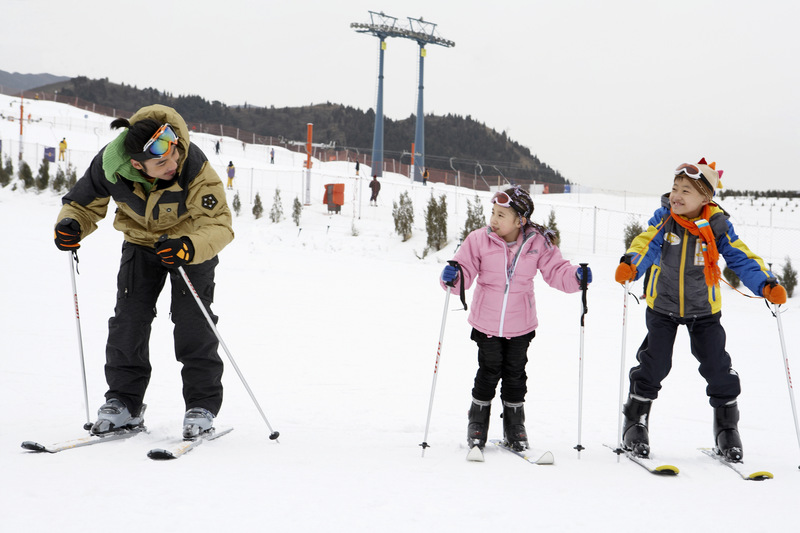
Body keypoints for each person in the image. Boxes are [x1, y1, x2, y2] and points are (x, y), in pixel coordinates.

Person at [53, 104, 234, 439]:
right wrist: (71, 224)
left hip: (189, 247)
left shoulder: (192, 163)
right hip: (140, 244)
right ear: (137, 164)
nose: (172, 164)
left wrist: (188, 247)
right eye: (161, 163)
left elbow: (219, 224)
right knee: (129, 320)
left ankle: (202, 406)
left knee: (192, 321)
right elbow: (81, 203)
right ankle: (123, 403)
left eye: (173, 156)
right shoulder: (111, 166)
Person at [615, 158, 787, 462]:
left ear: (706, 199)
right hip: (663, 305)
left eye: (686, 191)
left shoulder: (717, 226)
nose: (677, 196)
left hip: (704, 309)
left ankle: (726, 428)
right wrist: (632, 265)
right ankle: (635, 421)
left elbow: (740, 257)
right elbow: (646, 244)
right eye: (674, 188)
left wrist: (765, 284)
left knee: (717, 367)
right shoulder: (664, 218)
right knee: (654, 364)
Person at [440, 186, 591, 452]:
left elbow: (556, 270)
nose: (494, 220)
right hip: (486, 321)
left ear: (520, 220)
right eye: (493, 213)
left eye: (501, 215)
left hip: (521, 323)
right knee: (488, 372)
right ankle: (477, 420)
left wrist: (575, 277)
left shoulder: (537, 242)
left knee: (515, 375)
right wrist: (453, 276)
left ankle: (514, 424)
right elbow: (465, 269)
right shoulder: (478, 240)